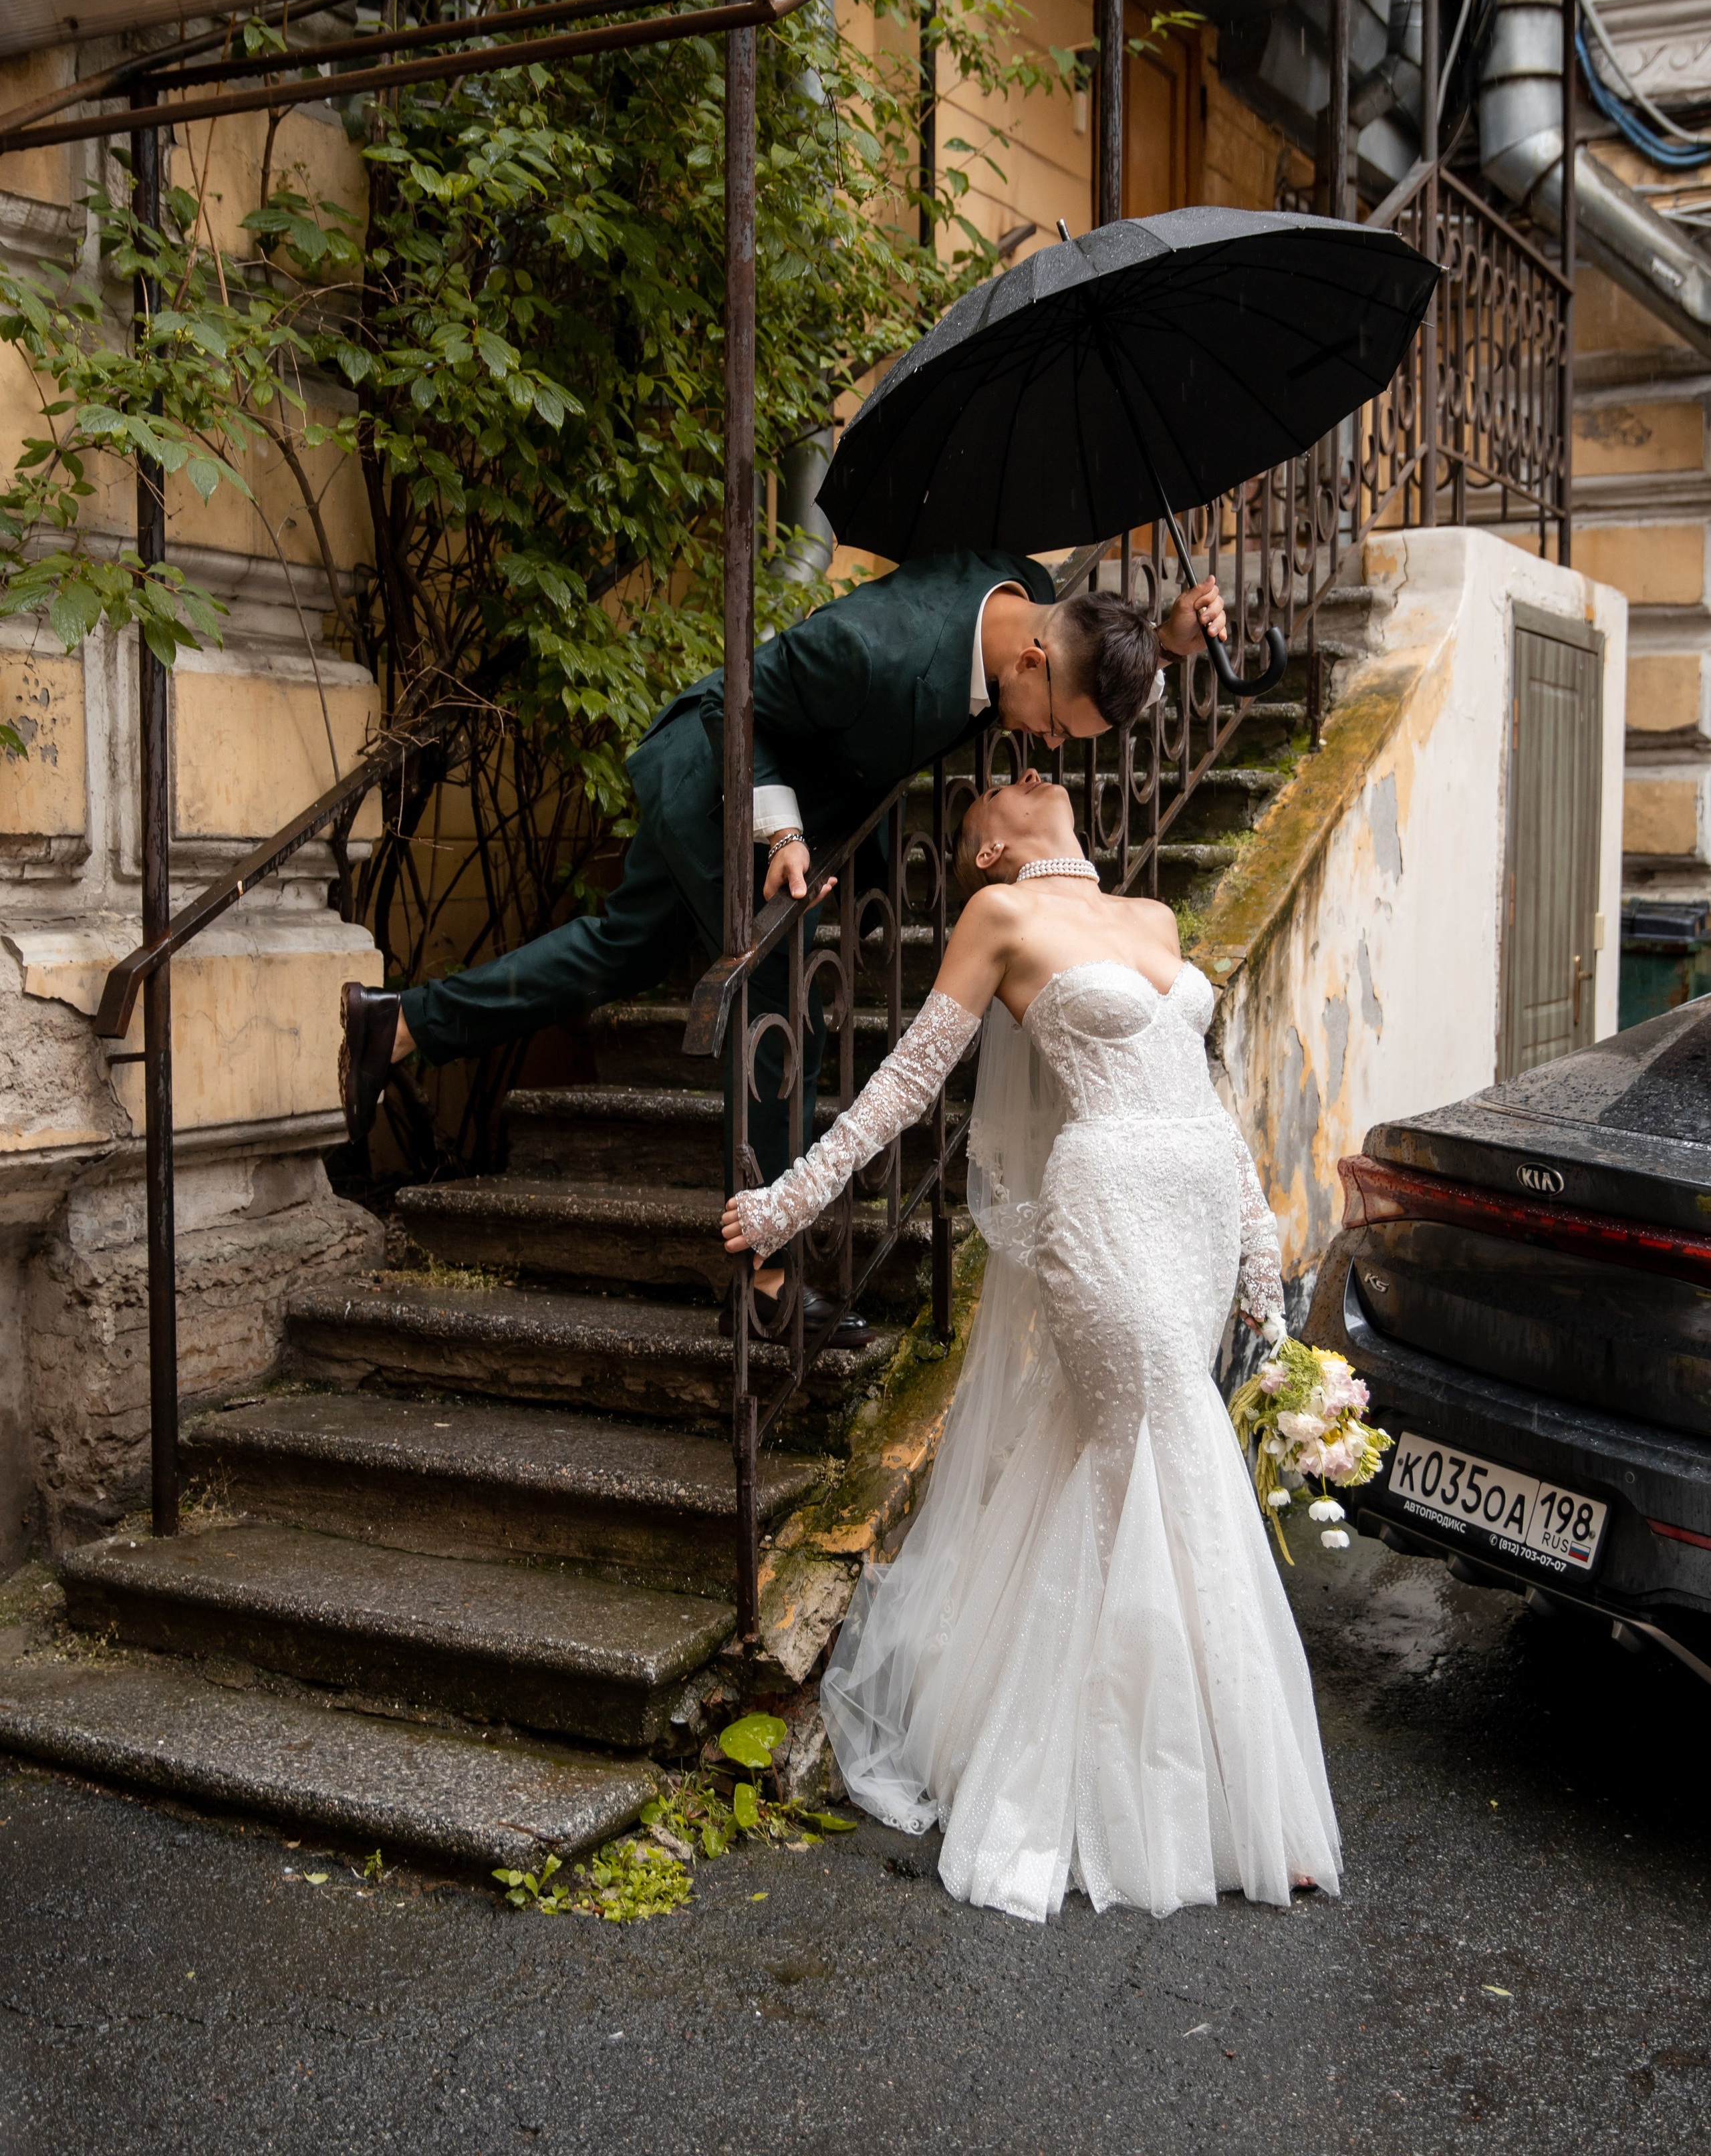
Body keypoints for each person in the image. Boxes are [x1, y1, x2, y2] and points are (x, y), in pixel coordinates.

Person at [720, 767, 1342, 1923]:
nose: (1016, 772)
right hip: (1101, 1204)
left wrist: (1262, 1254)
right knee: (1164, 1438)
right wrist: (787, 1205)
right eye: (982, 804)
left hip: (1199, 1208)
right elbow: (906, 1086)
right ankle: (1113, 1797)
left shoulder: (1152, 917)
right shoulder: (997, 917)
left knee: (1155, 1455)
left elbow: (1210, 1100)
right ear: (993, 853)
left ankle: (1226, 1794)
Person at [341, 550, 1225, 1347]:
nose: (1047, 746)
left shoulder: (1024, 590)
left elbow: (1087, 645)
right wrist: (783, 834)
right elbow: (739, 704)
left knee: (620, 949)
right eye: (1057, 725)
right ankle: (763, 1271)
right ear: (1027, 660)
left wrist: (1169, 643)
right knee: (772, 996)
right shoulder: (870, 645)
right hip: (715, 771)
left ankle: (403, 1026)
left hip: (803, 788)